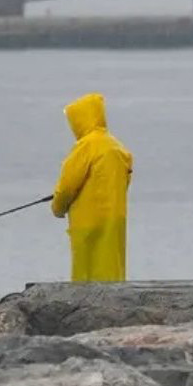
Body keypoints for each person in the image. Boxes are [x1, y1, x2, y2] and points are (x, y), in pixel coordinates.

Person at [51, 93, 133, 282]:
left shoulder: (86, 147)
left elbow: (67, 186)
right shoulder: (118, 148)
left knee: (85, 271)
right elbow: (125, 181)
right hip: (115, 217)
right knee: (111, 266)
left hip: (86, 220)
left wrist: (58, 207)